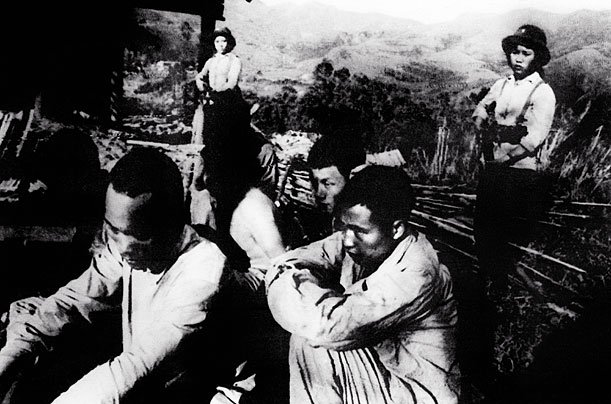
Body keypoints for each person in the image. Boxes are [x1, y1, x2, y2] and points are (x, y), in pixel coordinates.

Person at [0, 148, 229, 403]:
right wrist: (8, 359)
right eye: (113, 229)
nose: (122, 247)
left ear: (171, 223)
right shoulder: (125, 248)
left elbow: (134, 370)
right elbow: (70, 304)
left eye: (139, 234)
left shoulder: (203, 278)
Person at [266, 165, 460, 404]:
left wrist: (293, 287)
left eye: (358, 230)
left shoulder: (417, 271)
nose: (347, 240)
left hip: (414, 393)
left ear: (396, 228)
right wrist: (291, 281)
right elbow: (286, 263)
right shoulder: (365, 241)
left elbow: (328, 327)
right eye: (344, 227)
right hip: (385, 377)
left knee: (314, 341)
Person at [472, 24, 556, 296]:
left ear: (537, 57)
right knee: (482, 224)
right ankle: (485, 273)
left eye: (526, 53)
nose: (518, 59)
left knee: (503, 229)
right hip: (493, 166)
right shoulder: (502, 84)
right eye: (514, 52)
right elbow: (483, 105)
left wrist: (505, 159)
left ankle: (501, 283)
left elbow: (535, 138)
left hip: (519, 171)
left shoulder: (542, 92)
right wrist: (480, 121)